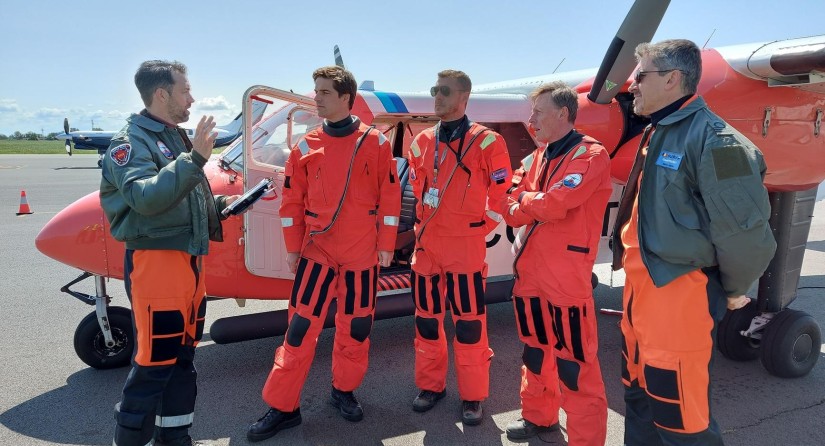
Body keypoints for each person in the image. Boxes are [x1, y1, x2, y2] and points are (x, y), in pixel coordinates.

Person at [612, 39, 776, 445]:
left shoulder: (717, 142)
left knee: (680, 417)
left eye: (640, 77)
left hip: (680, 295)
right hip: (640, 296)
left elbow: (747, 236)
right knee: (639, 399)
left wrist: (732, 290)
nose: (631, 85)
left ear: (672, 79)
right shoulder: (659, 132)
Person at [247, 66, 401, 442]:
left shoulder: (376, 143)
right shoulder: (304, 146)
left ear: (346, 99)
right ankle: (283, 408)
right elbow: (291, 203)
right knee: (299, 332)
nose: (315, 97)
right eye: (316, 90)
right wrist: (292, 249)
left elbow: (390, 197)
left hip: (362, 257)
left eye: (324, 92)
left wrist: (385, 246)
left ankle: (344, 391)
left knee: (357, 328)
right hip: (317, 255)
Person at [100, 60, 238, 446]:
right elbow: (145, 198)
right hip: (157, 264)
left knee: (182, 360)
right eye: (185, 90)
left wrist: (220, 207)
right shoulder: (130, 142)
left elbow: (180, 197)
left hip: (189, 264)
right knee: (154, 362)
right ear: (161, 94)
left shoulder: (172, 136)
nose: (192, 98)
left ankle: (175, 438)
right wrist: (194, 159)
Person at [500, 81, 610, 444]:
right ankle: (539, 417)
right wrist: (533, 202)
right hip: (530, 274)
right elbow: (509, 205)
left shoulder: (590, 155)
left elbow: (556, 204)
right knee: (535, 351)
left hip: (565, 278)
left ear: (563, 114)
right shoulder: (535, 158)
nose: (531, 120)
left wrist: (527, 203)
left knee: (575, 366)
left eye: (537, 113)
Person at [406, 69, 512, 425]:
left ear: (464, 97)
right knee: (426, 323)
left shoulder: (487, 141)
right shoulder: (421, 142)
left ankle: (473, 396)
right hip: (427, 248)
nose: (437, 96)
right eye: (435, 89)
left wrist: (478, 227)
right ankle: (431, 387)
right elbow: (416, 193)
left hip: (465, 249)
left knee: (468, 326)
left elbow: (501, 195)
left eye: (445, 91)